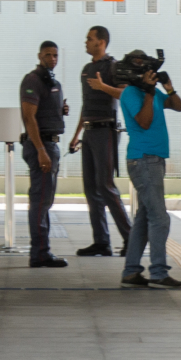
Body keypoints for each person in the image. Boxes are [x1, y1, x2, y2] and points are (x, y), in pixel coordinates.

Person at [113, 52, 181, 289]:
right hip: (143, 160)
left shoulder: (152, 92)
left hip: (153, 160)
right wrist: (147, 92)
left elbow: (178, 106)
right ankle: (158, 272)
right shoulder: (131, 94)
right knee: (160, 218)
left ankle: (131, 271)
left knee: (144, 219)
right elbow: (143, 121)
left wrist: (168, 87)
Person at [69, 26, 132, 258]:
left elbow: (125, 95)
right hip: (89, 132)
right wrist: (76, 135)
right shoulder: (87, 69)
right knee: (90, 189)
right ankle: (101, 242)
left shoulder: (113, 67)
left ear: (102, 42)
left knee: (105, 186)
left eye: (90, 39)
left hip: (106, 130)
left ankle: (130, 237)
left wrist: (103, 87)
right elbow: (85, 106)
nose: (86, 42)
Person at [19, 41, 70, 268]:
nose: (52, 58)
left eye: (55, 55)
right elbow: (29, 117)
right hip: (42, 147)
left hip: (51, 145)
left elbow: (42, 113)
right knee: (40, 200)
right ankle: (39, 253)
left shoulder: (52, 82)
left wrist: (60, 111)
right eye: (48, 55)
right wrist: (40, 151)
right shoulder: (33, 80)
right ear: (39, 55)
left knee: (45, 200)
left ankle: (42, 250)